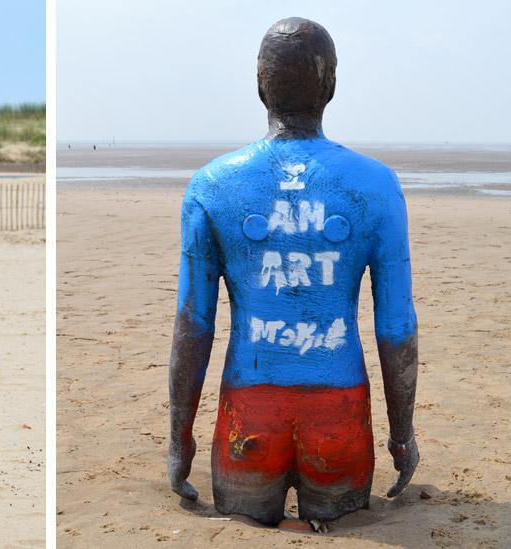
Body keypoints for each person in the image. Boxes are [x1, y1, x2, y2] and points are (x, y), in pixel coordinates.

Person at [167, 17, 419, 527]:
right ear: (331, 85)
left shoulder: (213, 185)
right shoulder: (376, 185)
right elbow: (396, 327)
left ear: (260, 83)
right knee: (340, 519)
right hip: (340, 414)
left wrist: (180, 439)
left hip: (248, 412)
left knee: (247, 520)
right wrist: (401, 436)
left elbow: (193, 325)